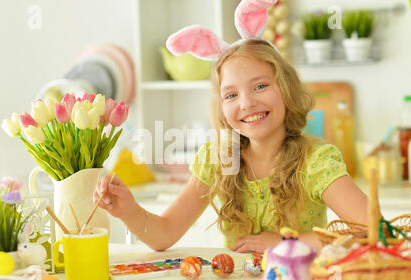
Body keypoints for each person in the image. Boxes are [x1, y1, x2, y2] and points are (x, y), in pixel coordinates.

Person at [94, 0, 370, 253]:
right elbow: (164, 234)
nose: (247, 103)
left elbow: (371, 231)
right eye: (231, 95)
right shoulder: (219, 159)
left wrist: (285, 243)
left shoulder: (315, 161)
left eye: (260, 86)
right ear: (222, 108)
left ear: (286, 89)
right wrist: (128, 210)